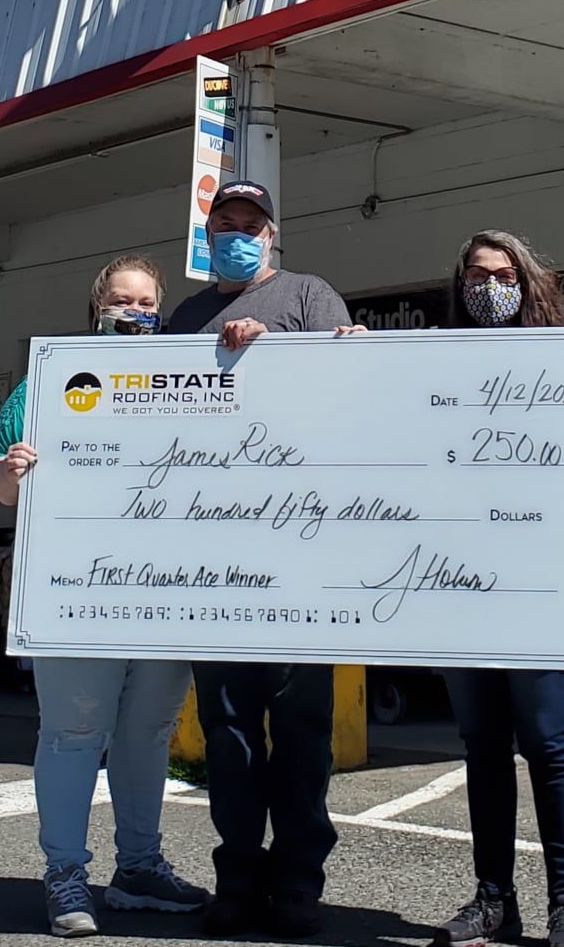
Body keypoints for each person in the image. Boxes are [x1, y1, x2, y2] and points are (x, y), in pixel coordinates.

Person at [430, 230, 564, 947]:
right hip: (459, 585)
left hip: (541, 587)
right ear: (459, 285)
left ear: (527, 282)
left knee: (550, 745)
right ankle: (494, 898)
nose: (489, 287)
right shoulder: (433, 361)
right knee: (483, 747)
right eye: (476, 276)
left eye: (504, 275)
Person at [0, 255, 208, 939]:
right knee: (73, 733)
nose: (134, 311)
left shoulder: (186, 377)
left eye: (146, 302)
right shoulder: (52, 377)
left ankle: (138, 867)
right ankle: (65, 875)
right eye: (121, 299)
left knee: (149, 733)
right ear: (96, 306)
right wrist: (10, 469)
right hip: (76, 588)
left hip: (165, 589)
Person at [168, 179, 356, 939]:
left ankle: (300, 883)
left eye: (251, 225)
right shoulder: (185, 317)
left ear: (272, 236)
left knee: (303, 729)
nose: (238, 235)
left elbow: (347, 393)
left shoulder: (309, 296)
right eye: (226, 223)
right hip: (212, 557)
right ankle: (238, 879)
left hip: (300, 553)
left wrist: (288, 349)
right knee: (229, 731)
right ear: (208, 233)